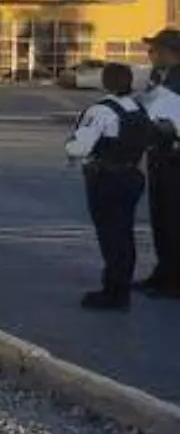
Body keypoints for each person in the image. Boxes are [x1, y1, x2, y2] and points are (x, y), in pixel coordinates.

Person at [66, 63, 153, 310]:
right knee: (124, 234)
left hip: (106, 178)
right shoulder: (137, 107)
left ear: (105, 81)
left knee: (110, 236)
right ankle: (121, 287)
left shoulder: (100, 110)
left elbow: (80, 146)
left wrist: (70, 148)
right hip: (132, 174)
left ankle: (113, 292)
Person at [138, 30, 180, 295]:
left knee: (174, 220)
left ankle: (174, 281)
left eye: (154, 49)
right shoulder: (160, 77)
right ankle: (163, 272)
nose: (150, 54)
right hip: (160, 156)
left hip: (175, 158)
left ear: (170, 51)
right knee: (161, 217)